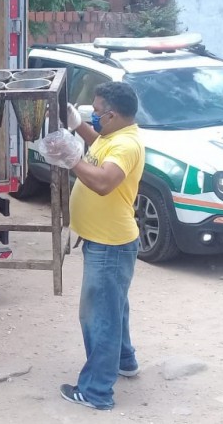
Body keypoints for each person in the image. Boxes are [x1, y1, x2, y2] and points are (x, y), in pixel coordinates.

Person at [53, 82, 145, 410]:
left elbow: (104, 182)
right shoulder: (113, 137)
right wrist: (78, 127)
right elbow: (98, 149)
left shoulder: (126, 146)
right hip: (106, 241)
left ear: (114, 114)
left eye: (96, 112)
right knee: (114, 306)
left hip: (109, 245)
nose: (94, 116)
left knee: (99, 315)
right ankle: (125, 360)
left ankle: (96, 392)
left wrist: (71, 158)